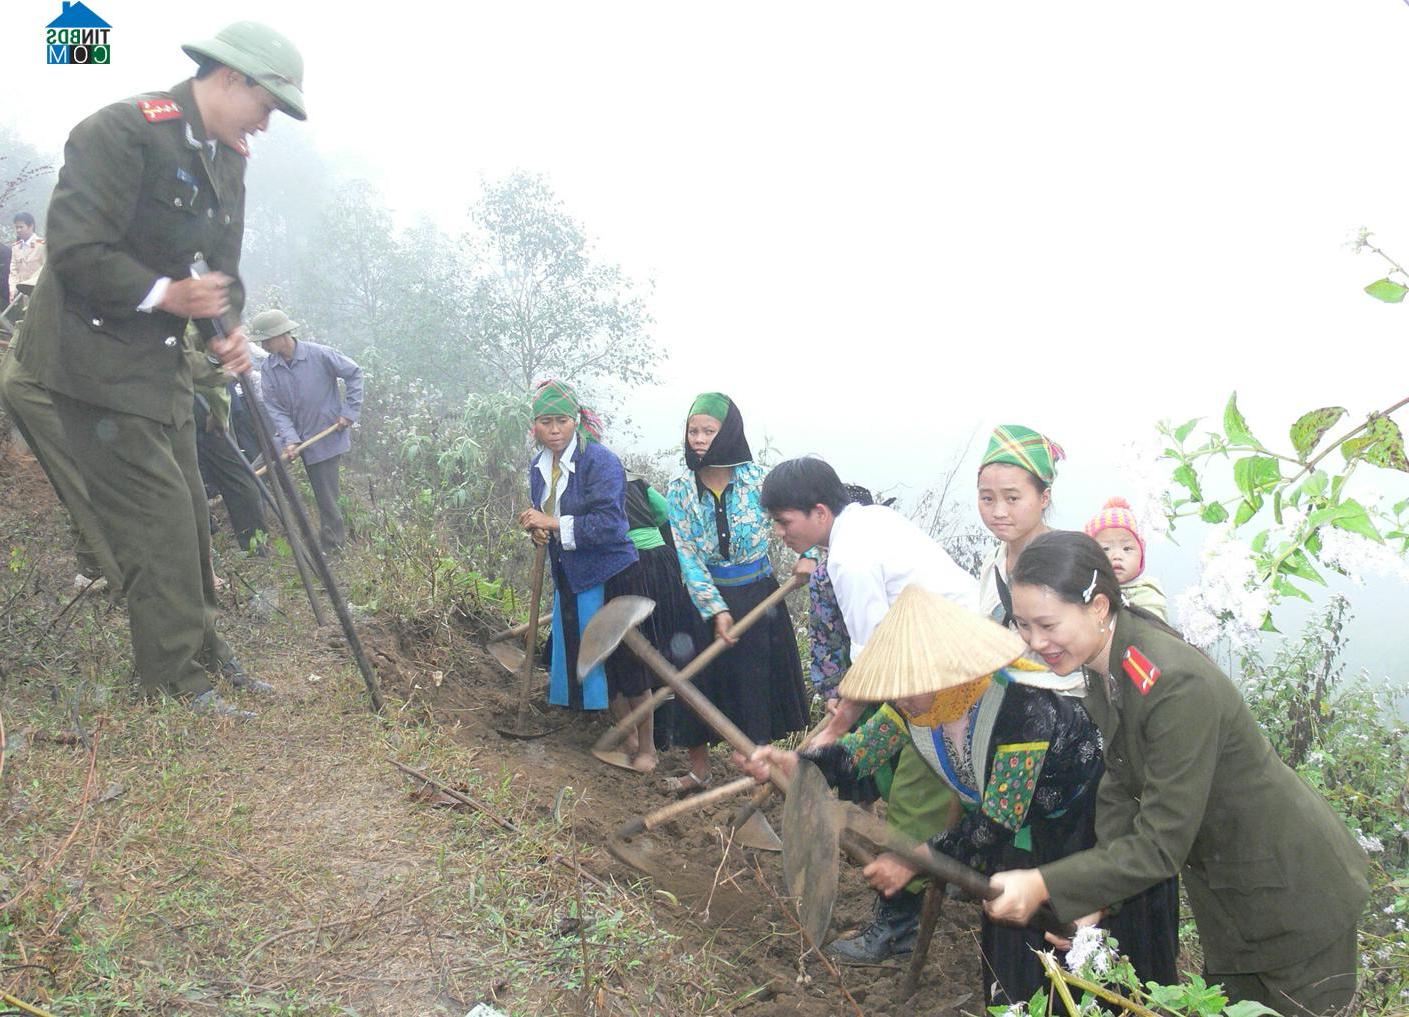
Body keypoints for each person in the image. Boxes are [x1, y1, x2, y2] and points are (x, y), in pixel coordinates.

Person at [13, 20, 307, 717]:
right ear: (230, 78)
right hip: (90, 361)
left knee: (191, 519)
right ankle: (174, 683)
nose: (267, 124)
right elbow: (78, 250)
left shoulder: (226, 158)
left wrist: (225, 333)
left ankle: (204, 651)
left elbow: (218, 271)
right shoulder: (121, 132)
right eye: (266, 105)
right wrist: (164, 294)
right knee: (160, 522)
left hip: (160, 362)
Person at [987, 530, 1370, 1017]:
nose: (1035, 643)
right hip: (1233, 898)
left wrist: (1043, 883)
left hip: (1295, 897)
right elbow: (1122, 787)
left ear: (1098, 607)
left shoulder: (1172, 683)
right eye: (1023, 625)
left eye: (1047, 624)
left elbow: (1160, 844)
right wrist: (1097, 899)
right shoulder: (1110, 667)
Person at [740, 584, 1177, 1006]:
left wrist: (912, 858)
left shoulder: (1024, 709)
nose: (898, 697)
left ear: (947, 671)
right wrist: (797, 764)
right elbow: (857, 756)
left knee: (1096, 958)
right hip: (1017, 842)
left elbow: (996, 821)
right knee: (1018, 971)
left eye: (908, 685)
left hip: (1088, 829)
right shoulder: (912, 706)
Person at [763, 456, 975, 962]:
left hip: (946, 672)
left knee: (912, 793)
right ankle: (950, 870)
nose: (779, 533)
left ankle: (899, 929)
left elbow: (877, 657)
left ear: (818, 512)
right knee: (904, 772)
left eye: (784, 521)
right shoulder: (868, 519)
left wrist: (836, 729)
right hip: (946, 658)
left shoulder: (848, 558)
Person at [663, 393, 809, 793]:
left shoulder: (759, 480)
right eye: (693, 430)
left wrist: (809, 555)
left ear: (728, 432)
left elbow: (800, 517)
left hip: (759, 597)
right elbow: (688, 554)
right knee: (696, 683)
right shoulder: (679, 488)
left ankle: (757, 775)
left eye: (708, 431)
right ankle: (699, 771)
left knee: (753, 684)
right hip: (703, 600)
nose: (698, 438)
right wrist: (715, 609)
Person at [517, 379, 640, 713]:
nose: (555, 430)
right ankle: (581, 717)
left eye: (562, 421)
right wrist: (538, 532)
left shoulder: (600, 461)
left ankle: (617, 726)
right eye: (546, 422)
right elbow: (545, 517)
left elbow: (611, 524)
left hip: (607, 571)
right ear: (535, 427)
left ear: (577, 421)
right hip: (568, 571)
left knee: (606, 653)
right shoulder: (539, 467)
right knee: (572, 644)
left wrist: (553, 523)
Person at [605, 467, 710, 772]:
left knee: (634, 656)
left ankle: (644, 745)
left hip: (632, 566)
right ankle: (636, 741)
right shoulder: (634, 478)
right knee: (637, 655)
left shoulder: (604, 480)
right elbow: (666, 517)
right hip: (653, 565)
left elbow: (667, 516)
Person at [975, 424, 1083, 693]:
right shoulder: (993, 564)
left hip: (1066, 702)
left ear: (1044, 497)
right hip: (1008, 701)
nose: (998, 511)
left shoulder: (1070, 559)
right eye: (987, 498)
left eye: (1012, 498)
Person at [249, 308, 361, 553]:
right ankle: (259, 539)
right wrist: (290, 439)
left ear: (282, 335)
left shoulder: (320, 355)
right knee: (252, 475)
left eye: (266, 340)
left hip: (325, 437)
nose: (264, 345)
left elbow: (354, 373)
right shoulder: (269, 368)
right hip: (289, 438)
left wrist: (349, 412)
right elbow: (275, 408)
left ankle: (332, 551)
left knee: (327, 501)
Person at [1085, 496, 1166, 619]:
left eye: (1127, 549)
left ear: (1141, 555)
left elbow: (1153, 631)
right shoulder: (1085, 589)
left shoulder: (1148, 593)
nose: (1117, 556)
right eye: (1105, 549)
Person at [9, 212, 45, 297]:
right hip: (23, 294)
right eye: (16, 227)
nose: (18, 230)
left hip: (40, 290)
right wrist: (13, 289)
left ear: (31, 226)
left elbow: (46, 268)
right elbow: (13, 272)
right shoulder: (16, 247)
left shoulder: (41, 245)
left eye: (21, 227)